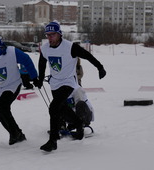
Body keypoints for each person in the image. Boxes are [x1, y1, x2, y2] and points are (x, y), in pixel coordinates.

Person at [33, 21, 106, 152]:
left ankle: (53, 141)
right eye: (48, 35)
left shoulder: (70, 47)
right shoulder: (45, 48)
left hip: (68, 83)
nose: (50, 37)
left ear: (59, 34)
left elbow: (87, 56)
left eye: (52, 35)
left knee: (54, 107)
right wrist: (39, 79)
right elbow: (42, 63)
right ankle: (78, 124)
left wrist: (100, 67)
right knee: (61, 109)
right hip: (55, 83)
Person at [0, 33, 38, 145]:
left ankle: (15, 134)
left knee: (3, 107)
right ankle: (17, 134)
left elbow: (26, 60)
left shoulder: (11, 52)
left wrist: (34, 76)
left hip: (13, 85)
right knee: (1, 115)